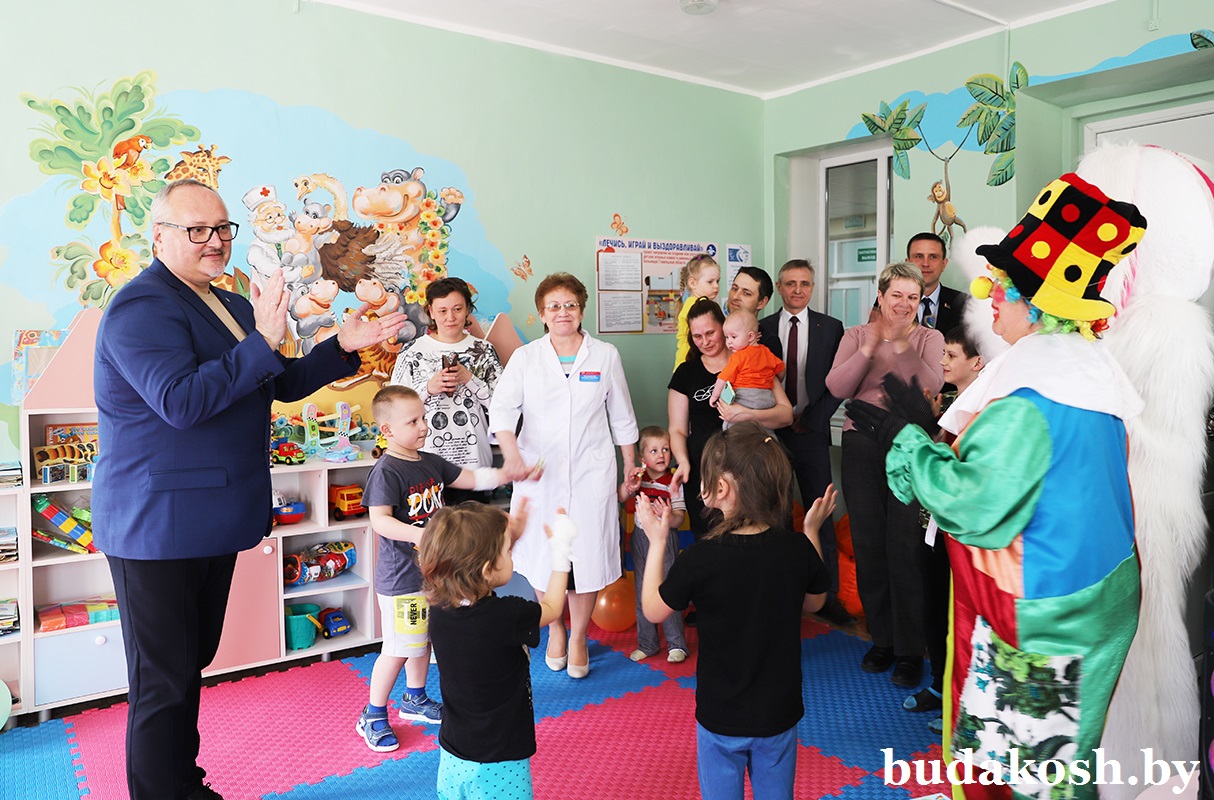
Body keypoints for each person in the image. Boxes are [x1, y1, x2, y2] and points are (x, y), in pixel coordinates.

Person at [92, 178, 407, 800]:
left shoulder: (231, 305)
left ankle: (183, 782)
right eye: (197, 230)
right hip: (156, 525)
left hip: (211, 516)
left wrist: (341, 347)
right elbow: (181, 402)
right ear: (159, 237)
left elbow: (277, 381)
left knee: (188, 666)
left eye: (221, 228)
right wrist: (262, 339)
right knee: (163, 681)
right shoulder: (140, 307)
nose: (214, 241)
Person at [848, 172, 1146, 797]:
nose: (989, 298)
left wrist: (908, 443)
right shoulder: (1086, 373)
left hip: (1042, 605)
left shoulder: (1031, 396)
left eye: (1002, 287)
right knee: (1062, 752)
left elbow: (973, 503)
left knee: (1031, 771)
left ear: (1038, 303)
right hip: (1094, 589)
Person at [636, 422, 835, 800]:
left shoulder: (700, 558)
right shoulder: (796, 548)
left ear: (722, 489)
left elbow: (653, 610)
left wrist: (657, 540)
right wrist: (810, 531)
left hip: (721, 716)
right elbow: (815, 602)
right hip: (779, 713)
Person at [489, 273, 638, 679]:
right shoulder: (526, 358)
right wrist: (512, 456)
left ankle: (579, 637)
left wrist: (630, 467)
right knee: (542, 555)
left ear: (581, 310)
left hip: (592, 471)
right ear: (541, 314)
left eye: (570, 305)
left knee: (587, 556)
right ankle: (555, 627)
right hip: (539, 472)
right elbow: (502, 412)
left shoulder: (604, 356)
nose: (562, 313)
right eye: (553, 306)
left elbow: (622, 416)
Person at [356, 384, 521, 752]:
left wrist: (507, 473)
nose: (423, 426)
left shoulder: (429, 461)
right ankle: (373, 713)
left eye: (423, 418)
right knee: (399, 647)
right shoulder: (387, 470)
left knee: (423, 639)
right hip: (402, 580)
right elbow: (380, 520)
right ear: (387, 430)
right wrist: (422, 535)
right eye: (413, 421)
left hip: (433, 575)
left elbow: (471, 479)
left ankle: (414, 698)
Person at [825, 260, 944, 687]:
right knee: (869, 543)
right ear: (880, 296)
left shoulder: (930, 338)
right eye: (897, 295)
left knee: (905, 547)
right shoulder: (856, 335)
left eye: (913, 297)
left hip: (909, 446)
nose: (904, 304)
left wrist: (901, 344)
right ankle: (883, 640)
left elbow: (930, 386)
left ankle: (910, 650)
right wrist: (870, 348)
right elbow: (838, 387)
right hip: (861, 443)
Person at [420, 500, 575, 800]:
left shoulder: (439, 607)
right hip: (499, 759)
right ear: (487, 568)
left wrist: (507, 537)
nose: (511, 555)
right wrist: (561, 552)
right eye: (507, 551)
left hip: (453, 752)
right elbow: (553, 607)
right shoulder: (508, 616)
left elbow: (483, 571)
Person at [896, 325, 984, 735]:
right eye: (943, 353)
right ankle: (940, 683)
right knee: (932, 604)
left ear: (977, 363)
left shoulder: (988, 410)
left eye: (951, 355)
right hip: (929, 520)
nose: (943, 362)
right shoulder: (945, 401)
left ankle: (964, 699)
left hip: (962, 530)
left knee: (961, 615)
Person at [757, 259, 848, 625]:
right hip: (770, 434)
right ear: (779, 287)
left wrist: (811, 418)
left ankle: (828, 596)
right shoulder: (762, 328)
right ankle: (780, 593)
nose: (798, 290)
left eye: (805, 283)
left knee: (820, 513)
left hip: (812, 432)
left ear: (813, 287)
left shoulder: (832, 328)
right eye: (791, 283)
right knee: (774, 516)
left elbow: (839, 382)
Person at [668, 299, 794, 543]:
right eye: (697, 336)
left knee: (761, 541)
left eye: (710, 333)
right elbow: (677, 430)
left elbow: (786, 415)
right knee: (711, 545)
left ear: (724, 329)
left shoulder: (753, 361)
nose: (705, 342)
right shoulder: (685, 373)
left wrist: (747, 414)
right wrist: (682, 462)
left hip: (753, 471)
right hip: (706, 474)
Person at [389, 276, 503, 502]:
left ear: (467, 309)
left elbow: (503, 408)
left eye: (457, 309)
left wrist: (470, 379)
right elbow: (393, 408)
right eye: (442, 311)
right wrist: (428, 388)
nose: (450, 317)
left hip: (474, 464)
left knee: (475, 524)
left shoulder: (484, 350)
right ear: (431, 311)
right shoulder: (412, 352)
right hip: (425, 463)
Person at [618, 425, 688, 663]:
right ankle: (647, 643)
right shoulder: (639, 479)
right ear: (642, 457)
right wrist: (630, 485)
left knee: (667, 591)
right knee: (642, 592)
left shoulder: (673, 481)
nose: (661, 455)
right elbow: (622, 496)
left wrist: (667, 517)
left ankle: (676, 644)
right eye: (654, 450)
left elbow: (679, 518)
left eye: (665, 449)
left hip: (666, 538)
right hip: (641, 538)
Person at [867, 232, 967, 335]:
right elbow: (873, 339)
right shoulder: (888, 300)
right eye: (919, 256)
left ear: (943, 264)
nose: (925, 264)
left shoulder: (963, 303)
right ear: (908, 263)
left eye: (933, 257)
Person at [709, 310, 784, 427]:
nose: (729, 342)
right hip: (767, 400)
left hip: (746, 398)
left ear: (750, 336)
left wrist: (714, 396)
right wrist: (776, 379)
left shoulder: (738, 357)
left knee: (729, 425)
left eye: (733, 337)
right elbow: (781, 369)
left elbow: (723, 378)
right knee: (764, 429)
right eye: (727, 337)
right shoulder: (766, 351)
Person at [673, 253, 721, 369]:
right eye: (710, 282)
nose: (716, 286)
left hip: (683, 360)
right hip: (690, 361)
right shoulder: (699, 305)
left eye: (718, 281)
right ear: (692, 283)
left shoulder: (690, 302)